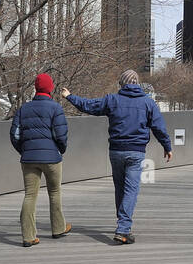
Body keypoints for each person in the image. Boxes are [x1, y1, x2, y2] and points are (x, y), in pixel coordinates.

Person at [62, 70, 173, 244]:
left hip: (116, 151)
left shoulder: (112, 100)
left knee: (120, 188)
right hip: (136, 152)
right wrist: (167, 146)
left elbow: (89, 106)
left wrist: (70, 96)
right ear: (137, 84)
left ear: (122, 84)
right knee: (131, 190)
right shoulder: (148, 103)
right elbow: (159, 127)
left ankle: (122, 223)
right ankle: (123, 228)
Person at [10, 73, 71, 247]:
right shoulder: (56, 108)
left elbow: (14, 135)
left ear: (36, 88)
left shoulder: (24, 109)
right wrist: (61, 150)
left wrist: (24, 150)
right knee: (54, 192)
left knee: (30, 195)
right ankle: (58, 229)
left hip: (28, 158)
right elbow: (61, 134)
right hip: (52, 158)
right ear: (50, 88)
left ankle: (28, 236)